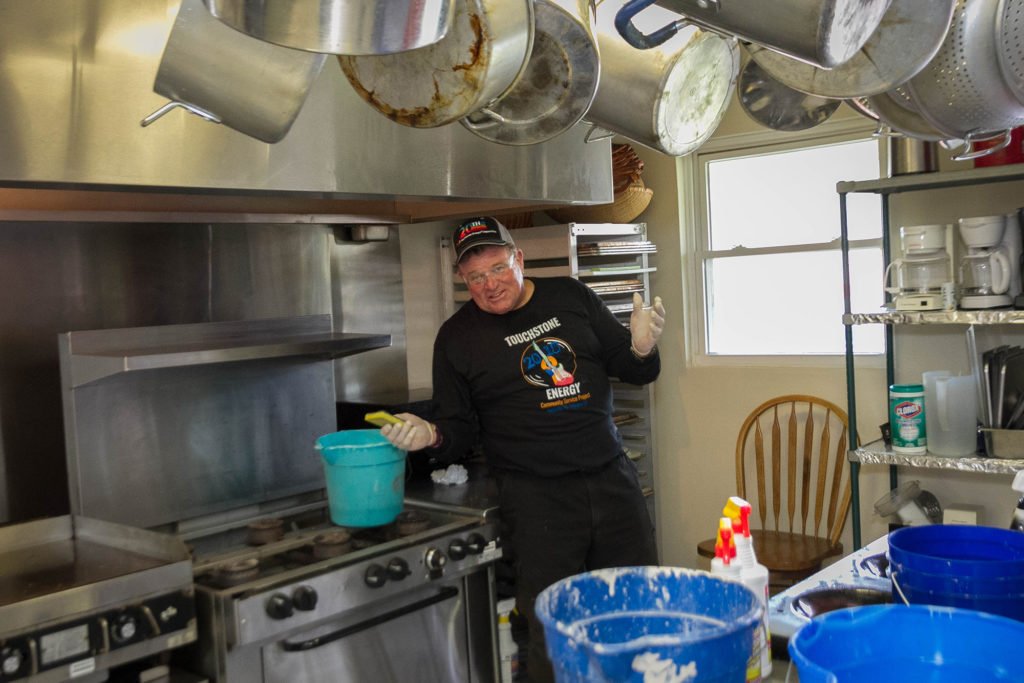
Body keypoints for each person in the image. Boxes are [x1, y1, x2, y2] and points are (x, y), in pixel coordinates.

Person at [379, 216, 665, 683]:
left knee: (636, 613)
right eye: (475, 277)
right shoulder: (456, 339)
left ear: (520, 258)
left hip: (613, 482)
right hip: (537, 501)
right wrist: (430, 434)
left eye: (497, 267)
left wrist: (641, 347)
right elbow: (458, 430)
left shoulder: (571, 297)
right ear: (462, 279)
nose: (490, 285)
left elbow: (636, 370)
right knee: (550, 633)